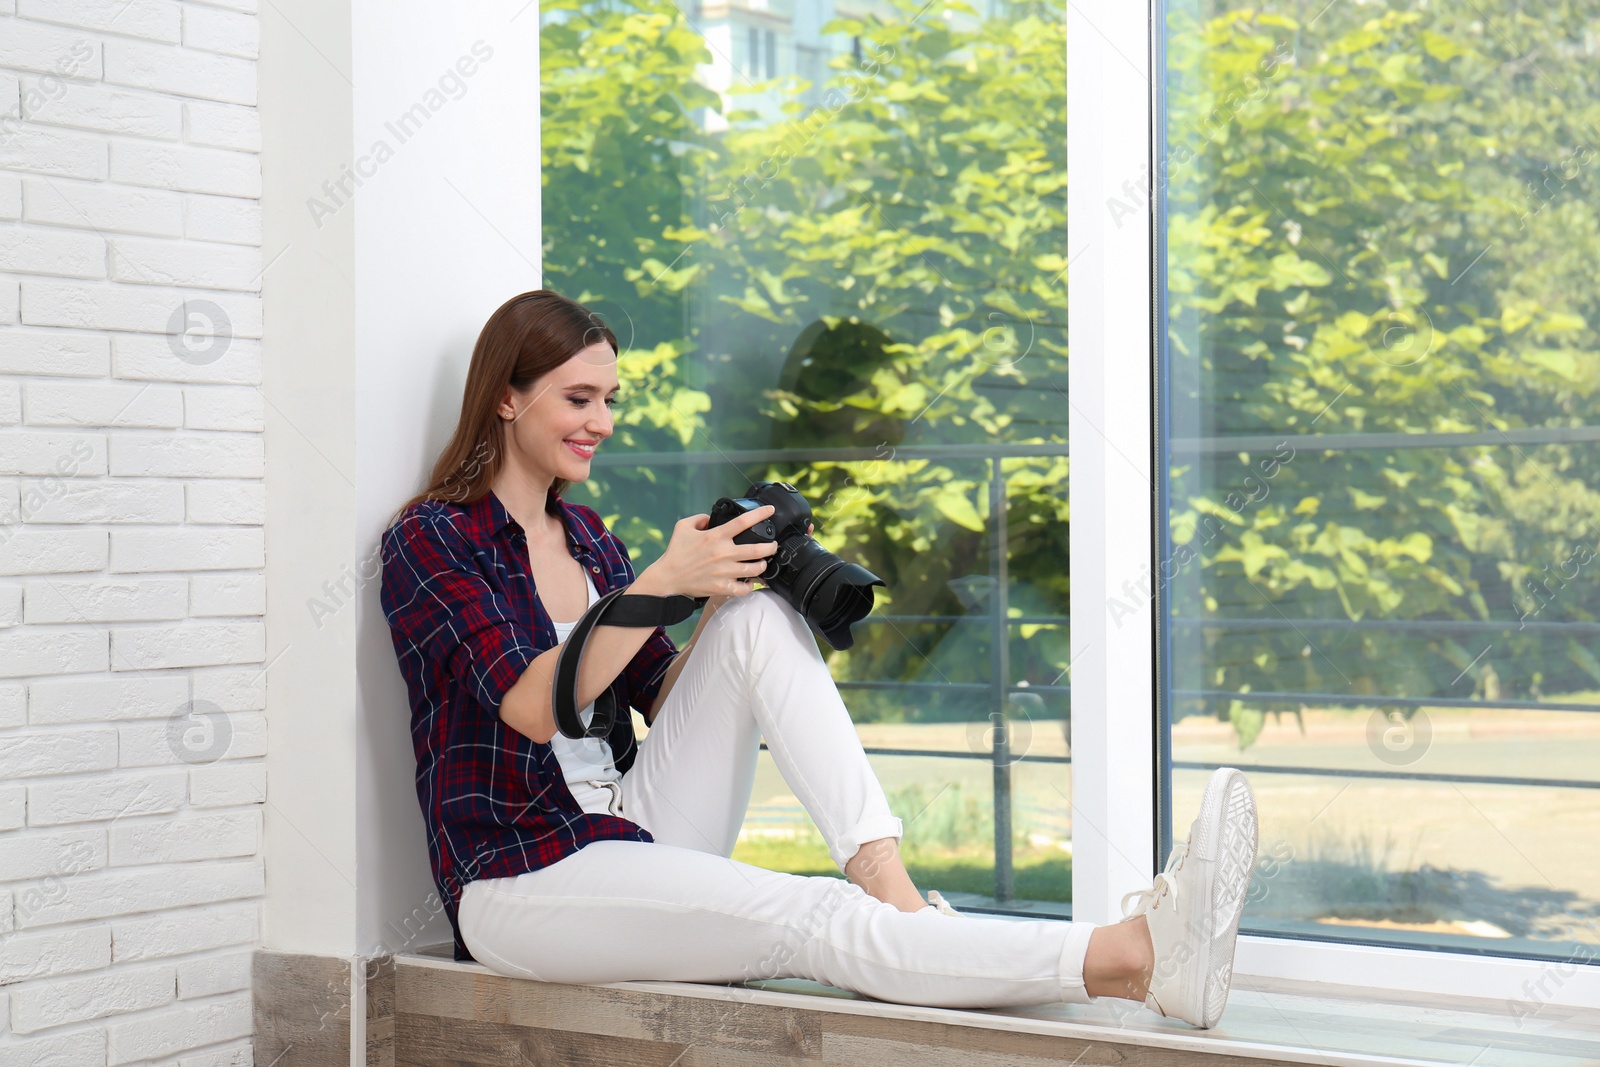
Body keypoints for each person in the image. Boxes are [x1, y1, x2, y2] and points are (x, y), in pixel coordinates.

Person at [378, 289, 1260, 1029]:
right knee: (810, 916)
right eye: (578, 399)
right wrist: (662, 582)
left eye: (611, 398)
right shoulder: (433, 539)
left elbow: (656, 691)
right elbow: (534, 706)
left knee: (758, 619)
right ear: (506, 396)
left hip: (627, 821)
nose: (601, 422)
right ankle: (1133, 958)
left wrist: (715, 602)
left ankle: (890, 881)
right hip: (522, 877)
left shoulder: (589, 541)